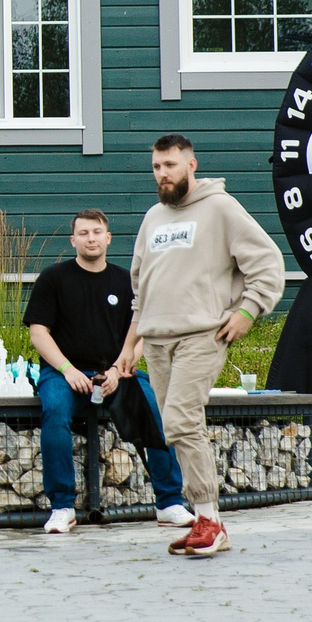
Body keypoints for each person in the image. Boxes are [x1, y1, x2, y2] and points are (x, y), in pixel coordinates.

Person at [120, 136, 285, 559]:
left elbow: (267, 262)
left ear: (191, 164)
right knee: (175, 427)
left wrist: (248, 312)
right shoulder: (153, 218)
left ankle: (210, 521)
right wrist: (131, 344)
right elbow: (141, 288)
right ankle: (203, 518)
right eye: (157, 167)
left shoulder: (220, 208)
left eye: (171, 165)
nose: (163, 174)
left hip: (202, 334)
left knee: (180, 417)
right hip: (155, 340)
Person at [24, 209, 190, 536]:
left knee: (155, 408)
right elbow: (38, 333)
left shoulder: (126, 281)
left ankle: (169, 503)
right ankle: (62, 507)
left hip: (118, 372)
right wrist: (67, 369)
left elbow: (143, 330)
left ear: (108, 237)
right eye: (83, 233)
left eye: (97, 232)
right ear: (73, 240)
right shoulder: (53, 279)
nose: (91, 238)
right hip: (64, 374)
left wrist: (120, 367)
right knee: (55, 413)